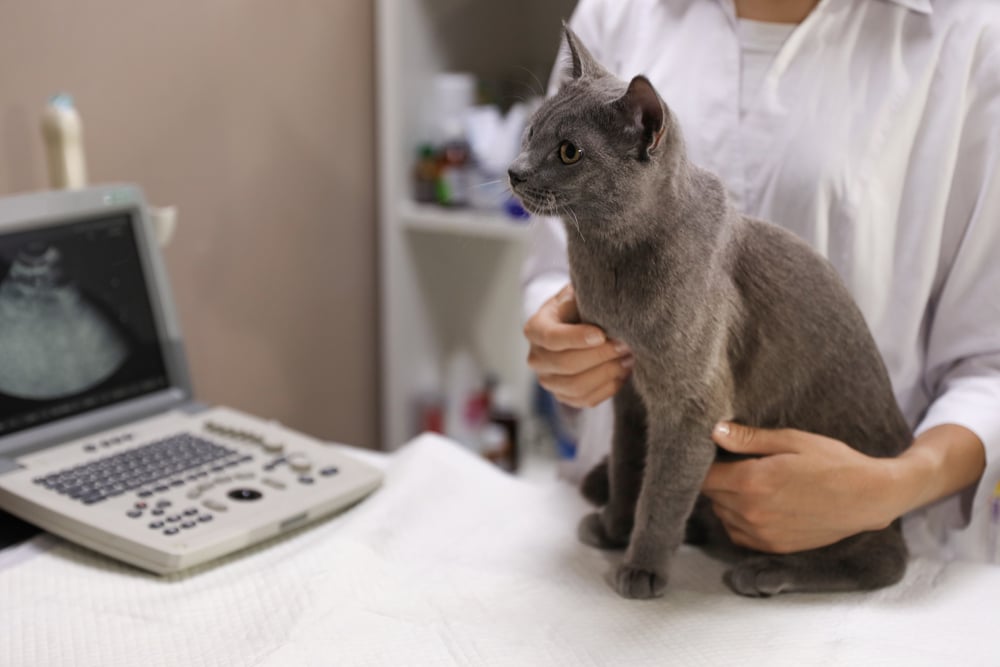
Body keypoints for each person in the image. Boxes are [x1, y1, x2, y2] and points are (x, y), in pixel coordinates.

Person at [521, 0, 1000, 562]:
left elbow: (989, 361)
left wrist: (892, 486)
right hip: (625, 537)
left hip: (843, 543)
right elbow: (553, 264)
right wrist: (560, 343)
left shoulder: (972, 34)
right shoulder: (616, 12)